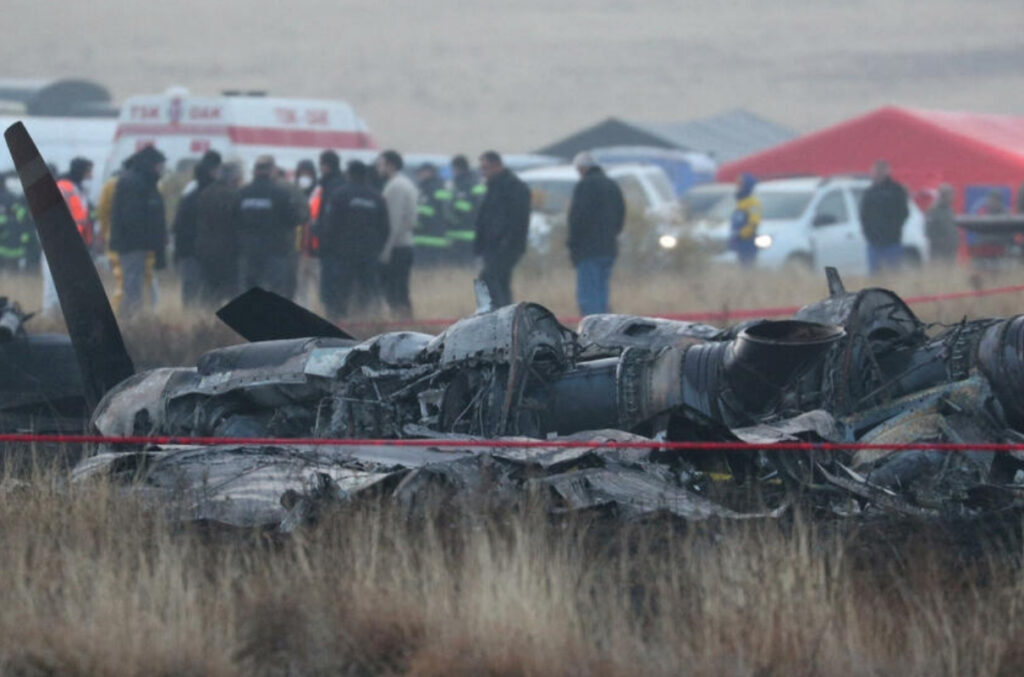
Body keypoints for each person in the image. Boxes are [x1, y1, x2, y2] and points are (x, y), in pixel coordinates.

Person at [315, 160, 390, 317]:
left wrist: (329, 249)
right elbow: (385, 229)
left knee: (341, 294)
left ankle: (339, 323)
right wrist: (376, 249)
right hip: (368, 255)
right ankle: (365, 324)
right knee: (366, 293)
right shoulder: (377, 198)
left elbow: (329, 226)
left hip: (343, 255)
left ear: (348, 174)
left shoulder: (339, 196)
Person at [110, 146, 168, 318]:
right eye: (159, 165)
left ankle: (134, 318)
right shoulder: (135, 183)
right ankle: (129, 321)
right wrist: (149, 239)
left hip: (137, 243)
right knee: (132, 284)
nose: (161, 169)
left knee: (135, 283)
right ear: (151, 164)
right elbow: (132, 218)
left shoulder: (141, 181)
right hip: (133, 244)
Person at [567, 152, 625, 316]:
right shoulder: (612, 185)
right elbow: (620, 215)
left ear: (582, 168)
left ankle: (593, 331)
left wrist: (573, 245)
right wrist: (611, 235)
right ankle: (606, 327)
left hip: (588, 250)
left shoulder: (584, 186)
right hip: (608, 247)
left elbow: (577, 218)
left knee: (588, 296)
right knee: (602, 294)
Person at [237, 155, 304, 296]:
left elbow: (234, 219)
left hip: (249, 251)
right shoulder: (281, 194)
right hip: (275, 251)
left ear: (254, 172)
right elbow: (294, 219)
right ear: (272, 171)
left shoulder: (242, 193)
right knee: (275, 291)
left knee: (251, 290)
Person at [473, 151, 530, 308]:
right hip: (491, 246)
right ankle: (505, 311)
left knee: (490, 278)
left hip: (507, 246)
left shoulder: (514, 187)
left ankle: (501, 311)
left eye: (486, 167)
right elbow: (484, 218)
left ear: (497, 166)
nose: (483, 172)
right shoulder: (492, 186)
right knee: (499, 281)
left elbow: (518, 219)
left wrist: (507, 242)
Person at [171, 151, 221, 308]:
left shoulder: (189, 194)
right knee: (209, 294)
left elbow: (178, 225)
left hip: (189, 250)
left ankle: (190, 322)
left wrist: (179, 251)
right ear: (212, 171)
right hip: (210, 252)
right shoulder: (216, 195)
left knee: (190, 293)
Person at [195, 162, 243, 306]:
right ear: (234, 178)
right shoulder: (235, 195)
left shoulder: (205, 193)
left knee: (210, 291)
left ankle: (208, 321)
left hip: (206, 249)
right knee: (231, 291)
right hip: (228, 249)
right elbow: (239, 223)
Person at [378, 150, 418, 318]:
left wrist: (385, 252)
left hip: (397, 247)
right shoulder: (405, 183)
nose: (378, 168)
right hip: (404, 245)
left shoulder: (396, 186)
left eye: (381, 164)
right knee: (400, 290)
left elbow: (393, 221)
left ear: (390, 165)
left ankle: (402, 323)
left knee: (396, 292)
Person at [859, 160, 909, 275]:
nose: (875, 174)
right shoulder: (869, 192)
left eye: (878, 171)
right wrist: (869, 234)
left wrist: (894, 229)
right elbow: (863, 216)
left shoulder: (896, 191)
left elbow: (903, 213)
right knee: (876, 278)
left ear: (886, 171)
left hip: (892, 242)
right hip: (874, 243)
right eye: (874, 171)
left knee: (894, 275)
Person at [447, 154, 484, 264]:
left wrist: (454, 211)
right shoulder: (458, 184)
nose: (452, 172)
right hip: (458, 234)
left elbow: (474, 209)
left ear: (457, 168)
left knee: (466, 267)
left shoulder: (470, 184)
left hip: (467, 234)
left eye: (453, 169)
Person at [413, 163, 453, 265]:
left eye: (420, 173)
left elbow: (429, 211)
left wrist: (416, 221)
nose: (418, 176)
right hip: (431, 236)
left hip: (429, 237)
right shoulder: (433, 187)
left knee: (426, 270)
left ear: (429, 173)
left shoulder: (432, 188)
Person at [293, 159, 320, 306]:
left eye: (307, 174)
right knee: (300, 288)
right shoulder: (293, 192)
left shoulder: (319, 192)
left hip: (315, 247)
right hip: (297, 247)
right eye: (302, 173)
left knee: (318, 284)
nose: (304, 177)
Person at [0, 172, 34, 273]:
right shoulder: (12, 197)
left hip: (7, 240)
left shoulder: (8, 198)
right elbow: (22, 215)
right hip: (15, 240)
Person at [728, 173, 762, 268]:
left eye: (740, 184)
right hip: (739, 242)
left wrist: (742, 234)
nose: (738, 187)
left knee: (747, 267)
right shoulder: (740, 202)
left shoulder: (753, 203)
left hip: (748, 242)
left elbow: (754, 222)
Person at [925, 184, 958, 261]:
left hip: (950, 250)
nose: (953, 197)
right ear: (943, 196)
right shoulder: (934, 210)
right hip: (939, 250)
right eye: (950, 195)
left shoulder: (949, 210)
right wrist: (940, 242)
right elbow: (929, 230)